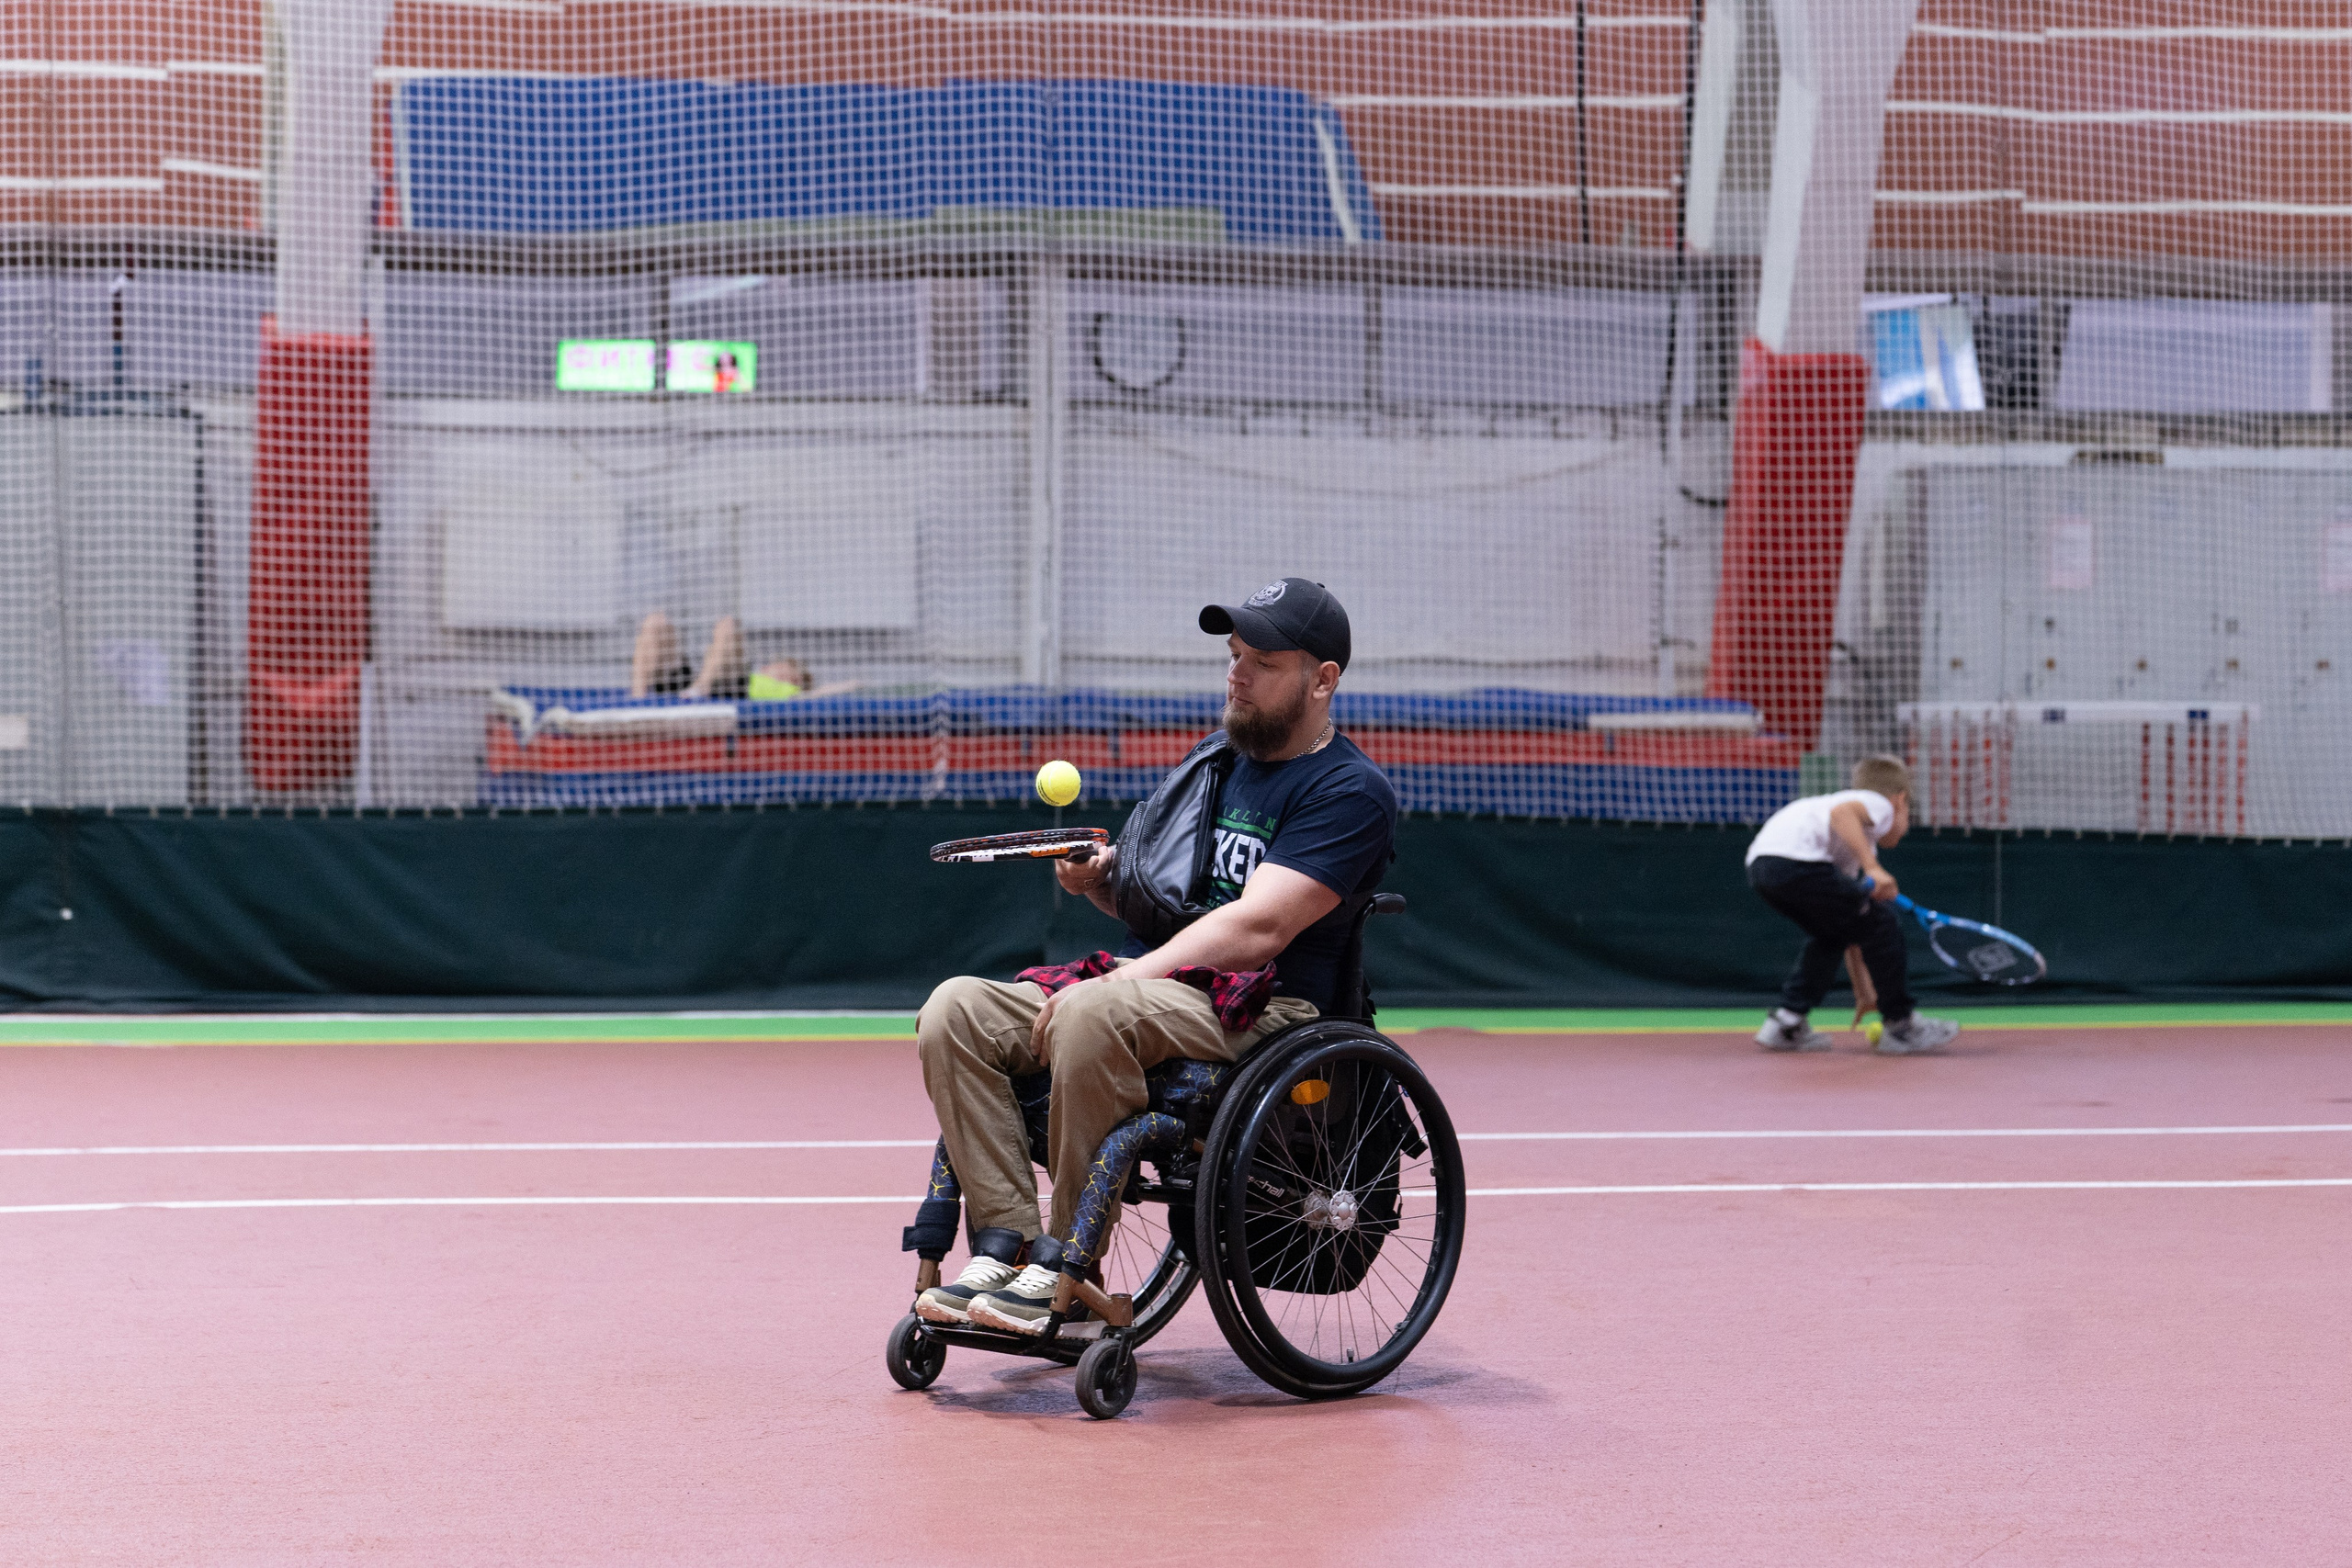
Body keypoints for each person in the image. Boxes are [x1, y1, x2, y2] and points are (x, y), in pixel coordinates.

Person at [910, 578, 1399, 1335]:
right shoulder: (1215, 763)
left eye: (1263, 661)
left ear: (1323, 680)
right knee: (955, 1010)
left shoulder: (1349, 790)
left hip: (1263, 1005)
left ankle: (1066, 1264)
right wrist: (1101, 881)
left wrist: (1128, 977)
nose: (1237, 673)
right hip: (1151, 990)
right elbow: (1165, 900)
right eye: (1235, 656)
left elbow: (1259, 927)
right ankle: (1004, 1246)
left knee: (1095, 1012)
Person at [1746, 754, 1961, 1055]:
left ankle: (1787, 1022)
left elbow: (1851, 926)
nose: (1906, 826)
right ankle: (1901, 1026)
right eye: (1908, 813)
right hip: (1796, 863)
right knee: (1882, 921)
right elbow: (1843, 813)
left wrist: (1863, 992)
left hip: (1763, 870)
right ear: (1900, 800)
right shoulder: (1877, 804)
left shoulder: (1849, 839)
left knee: (1833, 934)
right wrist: (1873, 868)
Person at [627, 613, 857, 702]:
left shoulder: (787, 693)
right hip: (687, 685)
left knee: (728, 626)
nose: (774, 665)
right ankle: (638, 699)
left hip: (729, 691)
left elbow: (820, 693)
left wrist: (855, 684)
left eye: (784, 667)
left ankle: (701, 688)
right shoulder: (755, 672)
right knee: (656, 622)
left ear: (793, 679)